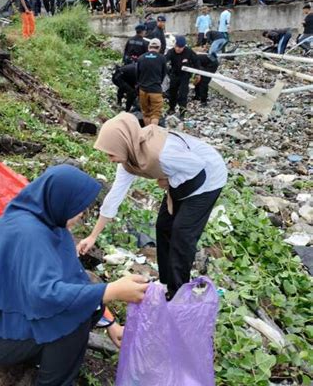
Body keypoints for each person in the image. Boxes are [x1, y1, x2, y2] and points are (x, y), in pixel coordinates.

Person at [0, 165, 148, 386]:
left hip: (1, 317)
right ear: (58, 200)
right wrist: (111, 291)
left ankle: (45, 361)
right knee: (73, 311)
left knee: (87, 302)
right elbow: (46, 297)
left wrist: (111, 324)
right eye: (78, 207)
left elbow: (75, 281)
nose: (82, 214)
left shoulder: (48, 225)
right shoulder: (28, 233)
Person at [77, 112, 227, 300]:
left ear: (123, 143)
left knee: (182, 233)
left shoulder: (164, 153)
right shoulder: (129, 156)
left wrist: (169, 180)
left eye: (110, 153)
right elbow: (115, 196)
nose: (110, 158)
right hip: (183, 177)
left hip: (209, 176)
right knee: (163, 225)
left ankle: (178, 293)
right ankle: (165, 281)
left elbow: (198, 166)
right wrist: (93, 236)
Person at [165, 35, 199, 119]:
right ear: (174, 45)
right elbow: (164, 60)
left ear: (184, 46)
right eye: (177, 47)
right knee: (172, 92)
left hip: (185, 75)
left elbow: (196, 61)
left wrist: (197, 73)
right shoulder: (171, 52)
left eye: (180, 47)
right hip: (174, 74)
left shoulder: (188, 51)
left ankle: (182, 111)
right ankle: (171, 108)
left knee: (183, 94)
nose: (178, 49)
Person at [137, 38, 167, 127]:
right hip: (155, 90)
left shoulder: (141, 58)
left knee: (146, 113)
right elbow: (164, 74)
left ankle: (146, 134)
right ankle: (152, 135)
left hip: (143, 90)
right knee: (155, 114)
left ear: (149, 47)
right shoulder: (162, 58)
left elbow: (137, 74)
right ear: (159, 48)